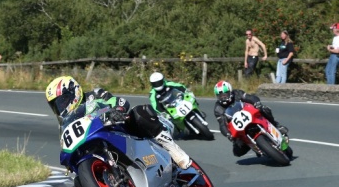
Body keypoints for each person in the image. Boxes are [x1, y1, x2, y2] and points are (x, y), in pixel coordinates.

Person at [45, 76, 191, 170]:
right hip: (96, 143)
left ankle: (175, 151)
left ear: (74, 91)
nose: (62, 106)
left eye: (63, 100)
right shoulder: (66, 123)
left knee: (140, 113)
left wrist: (117, 110)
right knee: (79, 184)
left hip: (120, 128)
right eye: (57, 105)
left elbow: (119, 101)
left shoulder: (94, 95)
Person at [213, 80, 288, 157]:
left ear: (230, 91)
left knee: (264, 109)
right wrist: (227, 134)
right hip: (237, 127)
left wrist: (256, 103)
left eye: (225, 94)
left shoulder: (237, 93)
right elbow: (222, 124)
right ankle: (254, 146)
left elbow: (250, 97)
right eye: (220, 96)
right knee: (237, 151)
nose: (223, 97)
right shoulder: (218, 108)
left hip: (249, 114)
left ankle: (276, 125)